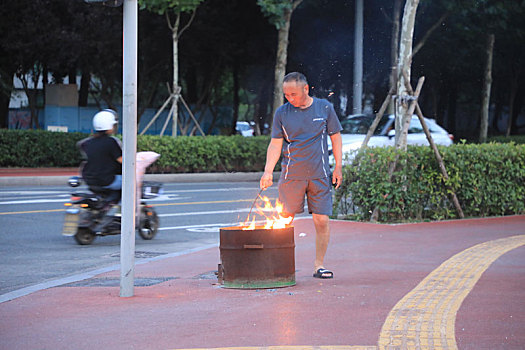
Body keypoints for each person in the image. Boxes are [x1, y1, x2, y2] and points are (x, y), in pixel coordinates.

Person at [260, 72, 343, 279]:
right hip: (292, 176)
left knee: (322, 220)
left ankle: (319, 265)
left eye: (293, 94)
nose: (290, 98)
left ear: (306, 89)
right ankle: (278, 266)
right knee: (284, 220)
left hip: (319, 175)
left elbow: (336, 137)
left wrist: (339, 167)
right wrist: (268, 171)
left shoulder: (324, 108)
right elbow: (276, 143)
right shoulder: (282, 113)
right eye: (286, 94)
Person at [77, 109, 122, 202]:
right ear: (109, 125)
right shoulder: (111, 142)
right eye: (114, 125)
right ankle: (123, 212)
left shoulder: (87, 142)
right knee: (132, 184)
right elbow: (122, 161)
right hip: (107, 179)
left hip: (89, 179)